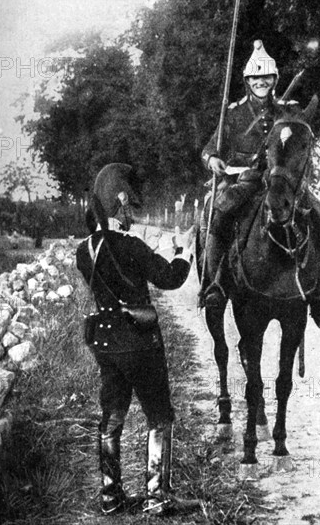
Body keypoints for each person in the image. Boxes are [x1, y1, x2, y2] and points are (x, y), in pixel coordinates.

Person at [76, 163, 198, 516]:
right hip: (140, 343)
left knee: (112, 416)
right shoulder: (130, 246)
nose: (132, 214)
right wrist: (183, 251)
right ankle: (158, 497)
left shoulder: (85, 251)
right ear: (121, 201)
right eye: (130, 207)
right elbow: (170, 279)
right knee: (159, 417)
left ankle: (111, 497)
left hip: (105, 343)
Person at [201, 40, 320, 327]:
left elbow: (299, 134)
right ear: (247, 81)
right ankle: (213, 284)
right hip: (243, 177)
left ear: (275, 79)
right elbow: (208, 149)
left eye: (267, 77)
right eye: (255, 78)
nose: (261, 83)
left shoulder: (286, 108)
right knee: (218, 213)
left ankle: (319, 299)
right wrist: (213, 160)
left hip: (280, 179)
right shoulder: (233, 113)